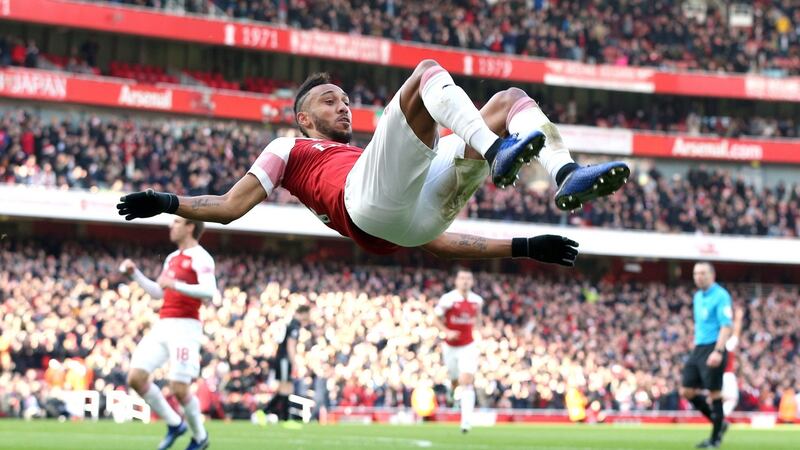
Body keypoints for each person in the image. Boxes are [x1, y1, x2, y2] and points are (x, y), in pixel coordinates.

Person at [117, 59, 630, 263]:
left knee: (507, 101)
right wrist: (167, 201)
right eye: (329, 100)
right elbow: (230, 207)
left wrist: (521, 245)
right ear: (302, 118)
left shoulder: (370, 159)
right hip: (363, 206)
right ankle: (498, 153)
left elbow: (433, 239)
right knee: (427, 74)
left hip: (405, 223)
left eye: (345, 100)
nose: (343, 106)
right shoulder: (289, 149)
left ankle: (566, 173)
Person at [120, 217, 217, 450]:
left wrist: (176, 285)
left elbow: (209, 291)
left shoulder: (201, 257)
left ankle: (200, 437)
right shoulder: (173, 259)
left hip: (186, 327)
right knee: (135, 377)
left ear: (190, 226)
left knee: (179, 388)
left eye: (176, 222)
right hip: (164, 324)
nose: (170, 226)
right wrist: (135, 274)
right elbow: (158, 291)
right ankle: (175, 423)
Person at [680, 262, 733, 449]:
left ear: (712, 275)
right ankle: (720, 423)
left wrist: (718, 351)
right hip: (699, 348)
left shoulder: (721, 296)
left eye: (702, 273)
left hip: (713, 347)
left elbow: (726, 325)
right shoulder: (697, 297)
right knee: (686, 390)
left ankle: (714, 440)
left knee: (714, 393)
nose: (698, 277)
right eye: (696, 273)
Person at [434, 268, 483, 433]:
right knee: (455, 380)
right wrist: (447, 332)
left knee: (467, 380)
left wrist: (479, 331)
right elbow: (434, 318)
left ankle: (466, 422)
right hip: (450, 347)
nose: (465, 281)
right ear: (456, 281)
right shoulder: (448, 299)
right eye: (462, 278)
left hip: (468, 345)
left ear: (472, 281)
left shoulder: (477, 300)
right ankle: (451, 391)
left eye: (468, 278)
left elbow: (478, 318)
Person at [263, 305, 310, 422]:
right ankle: (281, 418)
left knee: (286, 389)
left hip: (282, 358)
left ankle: (267, 413)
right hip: (284, 359)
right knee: (286, 388)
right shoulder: (295, 325)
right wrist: (294, 362)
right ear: (303, 313)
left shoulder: (290, 323)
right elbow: (290, 345)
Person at [722, 307, 744, 416]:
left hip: (716, 376)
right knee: (732, 399)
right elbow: (736, 332)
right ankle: (719, 419)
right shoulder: (728, 345)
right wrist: (738, 318)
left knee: (721, 399)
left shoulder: (712, 346)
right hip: (727, 375)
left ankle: (718, 417)